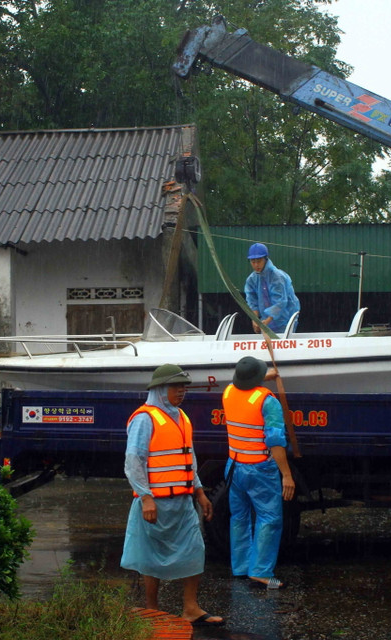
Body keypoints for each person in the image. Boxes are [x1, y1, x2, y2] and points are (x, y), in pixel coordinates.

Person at [120, 364, 225, 628]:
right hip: (154, 503)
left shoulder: (181, 417)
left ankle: (190, 608)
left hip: (182, 501)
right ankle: (152, 610)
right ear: (159, 389)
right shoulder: (145, 418)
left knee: (194, 549)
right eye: (176, 386)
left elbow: (188, 459)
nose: (182, 391)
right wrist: (145, 497)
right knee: (150, 557)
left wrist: (200, 492)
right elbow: (134, 461)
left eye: (184, 387)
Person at [222, 356, 295, 589]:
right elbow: (275, 441)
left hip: (234, 466)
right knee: (269, 518)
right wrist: (286, 474)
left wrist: (266, 376)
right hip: (259, 470)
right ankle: (261, 572)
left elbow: (245, 388)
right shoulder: (268, 401)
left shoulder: (228, 392)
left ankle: (241, 567)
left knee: (239, 517)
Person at [244, 242, 300, 335]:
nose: (256, 265)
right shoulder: (251, 279)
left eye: (259, 261)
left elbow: (280, 302)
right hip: (266, 323)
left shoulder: (277, 277)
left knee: (283, 346)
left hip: (285, 321)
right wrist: (255, 320)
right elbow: (252, 301)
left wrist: (267, 320)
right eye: (253, 262)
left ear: (265, 259)